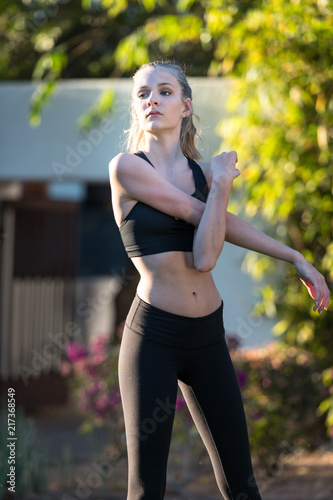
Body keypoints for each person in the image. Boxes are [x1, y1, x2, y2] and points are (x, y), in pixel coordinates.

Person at [108, 60, 330, 500]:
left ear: (185, 106)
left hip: (208, 335)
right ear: (136, 109)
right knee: (146, 488)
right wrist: (223, 182)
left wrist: (295, 257)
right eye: (143, 93)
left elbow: (225, 223)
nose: (152, 98)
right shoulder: (127, 169)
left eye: (165, 91)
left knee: (242, 485)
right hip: (154, 335)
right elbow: (205, 252)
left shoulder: (205, 175)